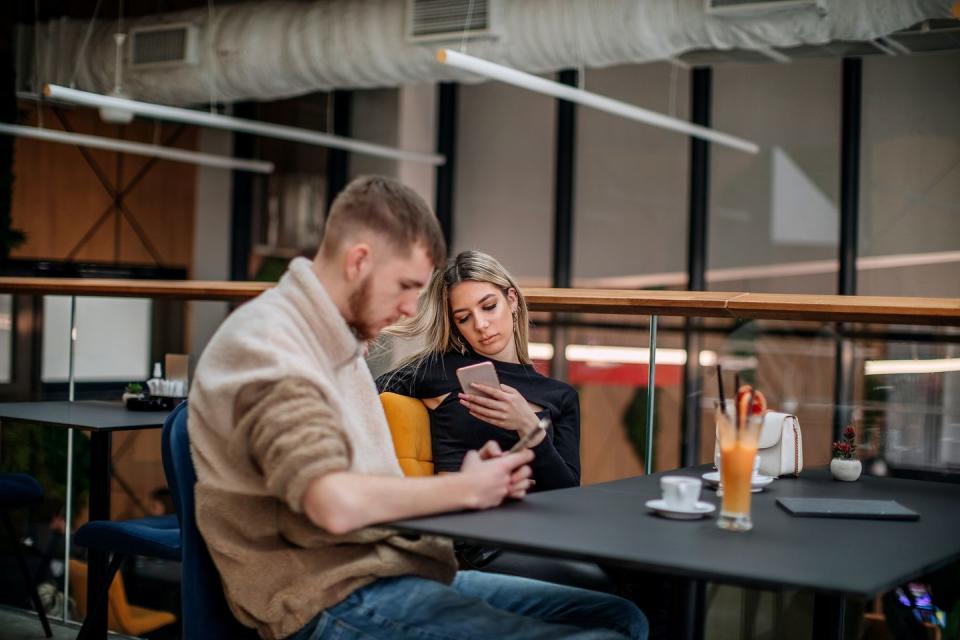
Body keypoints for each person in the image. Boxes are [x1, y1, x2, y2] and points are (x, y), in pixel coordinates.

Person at [188, 175, 648, 640]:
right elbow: (332, 504)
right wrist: (465, 490)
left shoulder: (333, 342)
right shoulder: (274, 347)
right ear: (359, 262)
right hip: (327, 596)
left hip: (388, 569)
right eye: (406, 286)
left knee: (620, 617)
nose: (411, 310)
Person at [378, 250, 579, 492]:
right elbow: (361, 396)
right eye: (464, 318)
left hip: (535, 524)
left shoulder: (561, 395)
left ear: (512, 300)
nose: (481, 325)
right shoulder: (440, 369)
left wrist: (527, 425)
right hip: (458, 519)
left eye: (489, 306)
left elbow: (568, 490)